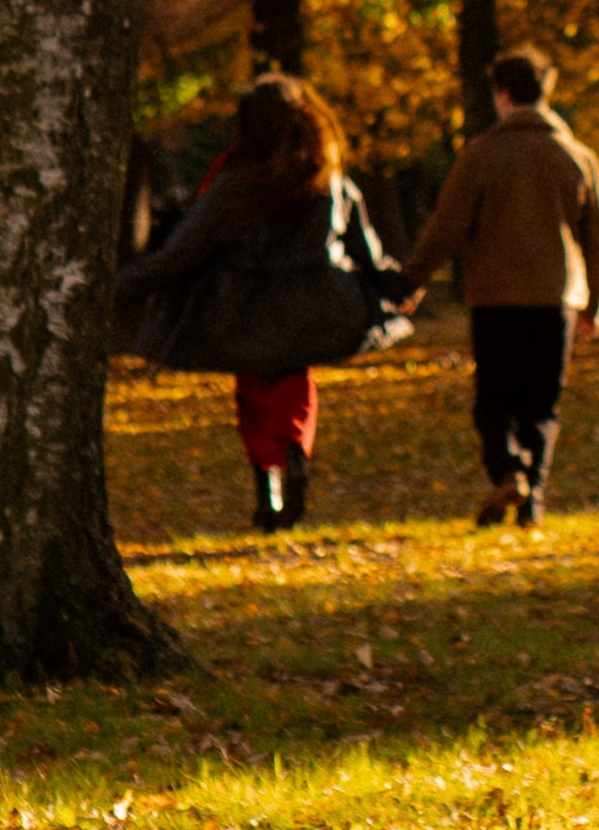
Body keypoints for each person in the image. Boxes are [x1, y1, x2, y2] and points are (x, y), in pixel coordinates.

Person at [113, 76, 404, 532]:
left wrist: (115, 287)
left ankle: (266, 486)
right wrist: (396, 287)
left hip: (240, 310)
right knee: (294, 384)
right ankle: (294, 450)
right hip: (313, 305)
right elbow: (366, 250)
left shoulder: (232, 185)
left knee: (251, 394)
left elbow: (182, 254)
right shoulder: (327, 179)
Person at [390, 49, 599, 526]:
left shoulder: (483, 155)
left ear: (503, 95)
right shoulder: (576, 156)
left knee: (494, 400)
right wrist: (597, 304)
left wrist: (413, 279)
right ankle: (531, 500)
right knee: (542, 406)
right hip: (556, 299)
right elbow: (598, 239)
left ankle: (509, 469)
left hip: (495, 299)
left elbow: (446, 227)